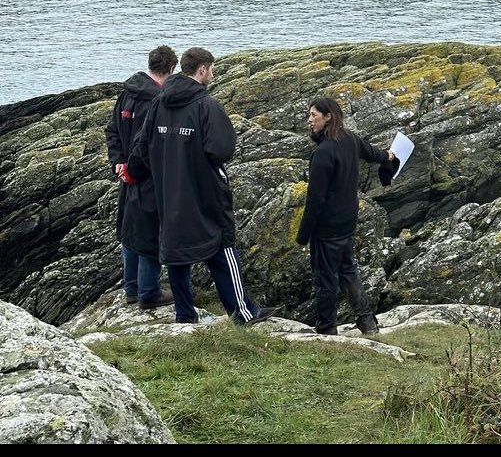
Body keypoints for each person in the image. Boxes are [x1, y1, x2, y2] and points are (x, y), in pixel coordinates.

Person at [130, 46, 274, 326]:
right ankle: (243, 313)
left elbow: (141, 148)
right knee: (222, 248)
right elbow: (221, 149)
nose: (213, 75)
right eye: (212, 70)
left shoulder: (159, 103)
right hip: (204, 193)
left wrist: (160, 170)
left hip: (169, 194)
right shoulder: (206, 105)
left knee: (177, 254)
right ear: (203, 69)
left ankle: (185, 315)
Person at [295, 96, 398, 336]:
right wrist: (389, 156)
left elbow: (315, 199)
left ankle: (326, 330)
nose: (309, 120)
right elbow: (373, 153)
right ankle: (367, 323)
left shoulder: (323, 153)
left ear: (328, 117)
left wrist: (303, 236)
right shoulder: (350, 139)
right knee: (348, 271)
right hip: (347, 222)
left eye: (313, 115)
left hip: (327, 228)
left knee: (325, 279)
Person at [105, 44, 178, 309]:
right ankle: (148, 292)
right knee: (148, 233)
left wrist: (118, 162)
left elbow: (112, 130)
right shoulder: (157, 101)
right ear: (171, 68)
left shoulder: (127, 93)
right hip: (146, 176)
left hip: (127, 174)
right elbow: (147, 145)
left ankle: (132, 288)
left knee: (129, 230)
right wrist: (132, 169)